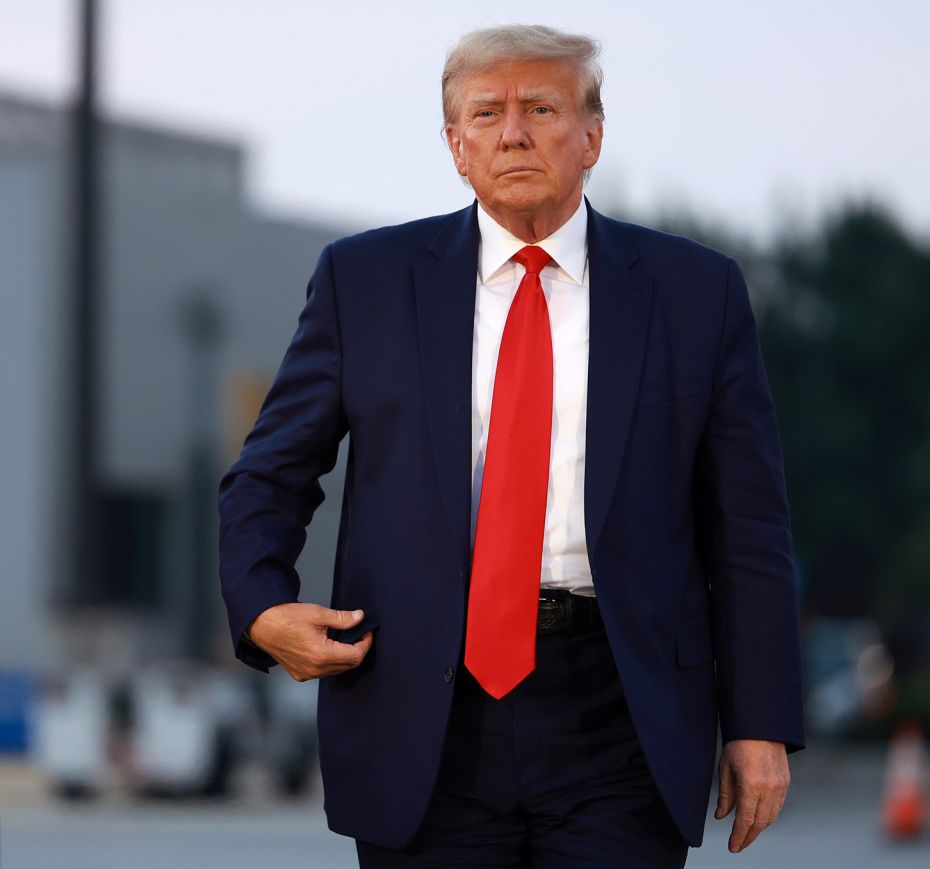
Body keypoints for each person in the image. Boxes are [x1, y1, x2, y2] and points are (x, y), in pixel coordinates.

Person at [218, 23, 804, 868]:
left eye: (541, 107)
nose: (514, 131)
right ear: (456, 146)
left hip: (622, 707)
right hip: (420, 699)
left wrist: (760, 722)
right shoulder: (366, 283)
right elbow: (268, 474)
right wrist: (263, 603)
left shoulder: (694, 292)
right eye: (486, 114)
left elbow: (750, 527)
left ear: (592, 135)